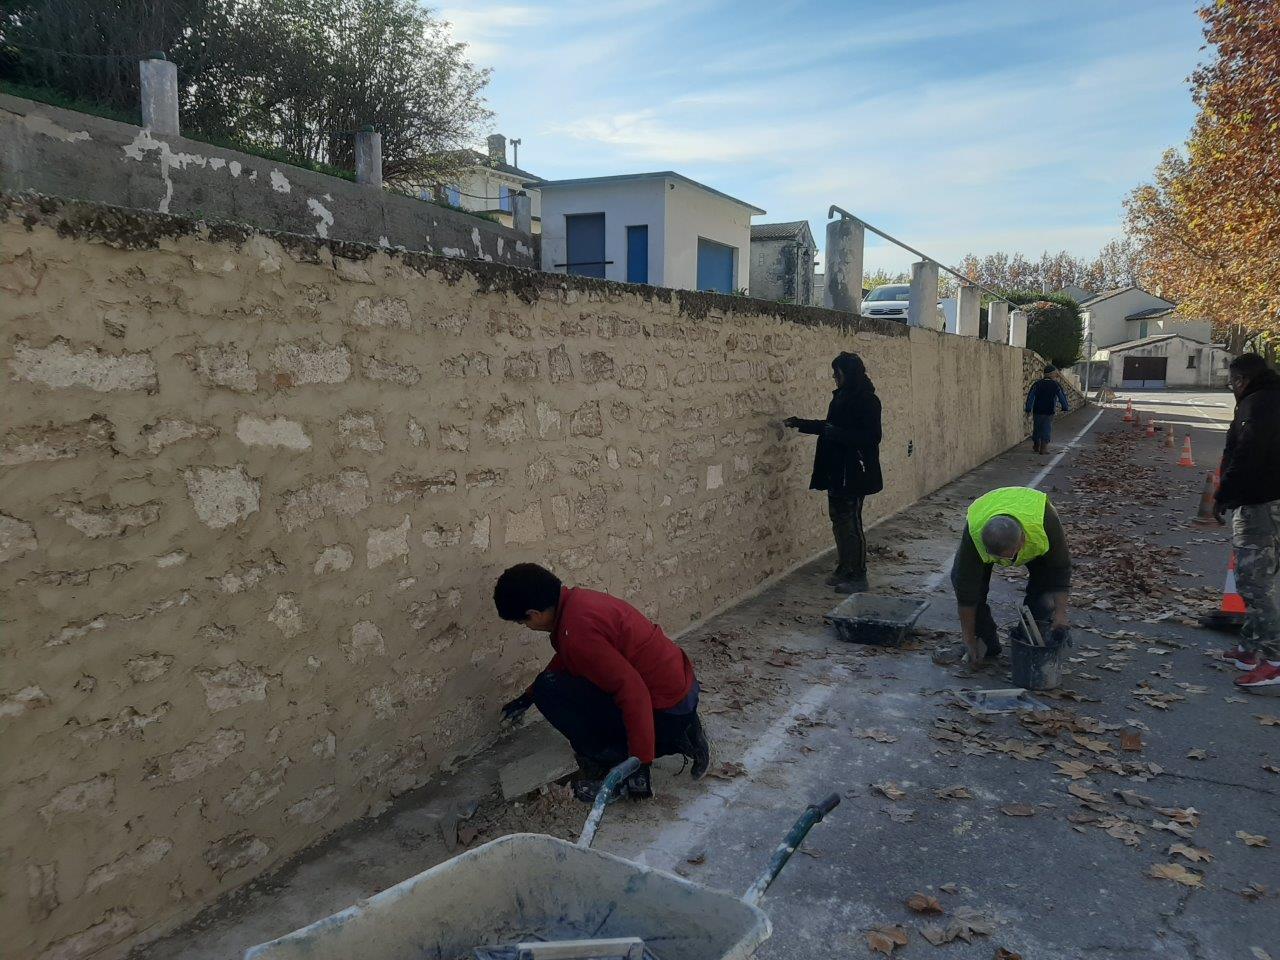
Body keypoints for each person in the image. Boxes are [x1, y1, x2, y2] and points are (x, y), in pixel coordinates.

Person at [494, 563, 712, 800]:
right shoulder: (579, 604)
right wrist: (528, 696)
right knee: (548, 686)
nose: (528, 627)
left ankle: (617, 760)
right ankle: (685, 728)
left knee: (550, 692)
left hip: (666, 711)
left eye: (523, 622)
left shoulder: (577, 633)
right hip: (682, 692)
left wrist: (638, 765)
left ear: (535, 614)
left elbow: (632, 690)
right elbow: (569, 657)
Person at [783, 351, 883, 594]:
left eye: (837, 374)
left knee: (851, 522)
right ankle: (844, 568)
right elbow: (829, 426)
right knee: (839, 521)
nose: (835, 378)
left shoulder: (867, 400)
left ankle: (858, 574)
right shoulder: (842, 398)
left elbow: (871, 436)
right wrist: (802, 424)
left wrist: (837, 434)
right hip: (837, 471)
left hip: (854, 472)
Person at [1213, 353, 1280, 689]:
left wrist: (1223, 494)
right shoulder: (1269, 400)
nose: (1232, 388)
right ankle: (1249, 648)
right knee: (1260, 577)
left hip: (1259, 503)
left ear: (1242, 380)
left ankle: (1274, 660)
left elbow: (1247, 453)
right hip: (1269, 500)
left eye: (1232, 383)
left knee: (1253, 581)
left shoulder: (1257, 405)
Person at [950, 486, 1072, 667]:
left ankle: (1029, 638)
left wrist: (1061, 614)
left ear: (1022, 539)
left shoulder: (1046, 523)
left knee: (1043, 593)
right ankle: (986, 642)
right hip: (990, 520)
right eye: (998, 558)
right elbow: (965, 589)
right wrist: (968, 637)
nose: (1005, 562)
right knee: (967, 583)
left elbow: (1060, 570)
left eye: (1009, 556)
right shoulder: (974, 533)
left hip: (1034, 527)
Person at [1025, 365, 1070, 454]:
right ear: (1051, 374)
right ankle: (1043, 448)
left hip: (1037, 410)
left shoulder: (1037, 384)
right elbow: (1061, 396)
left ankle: (1036, 445)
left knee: (1037, 427)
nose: (1056, 375)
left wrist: (1028, 408)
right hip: (1049, 411)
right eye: (1055, 373)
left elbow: (1031, 397)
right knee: (1046, 428)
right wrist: (1065, 407)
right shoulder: (1055, 385)